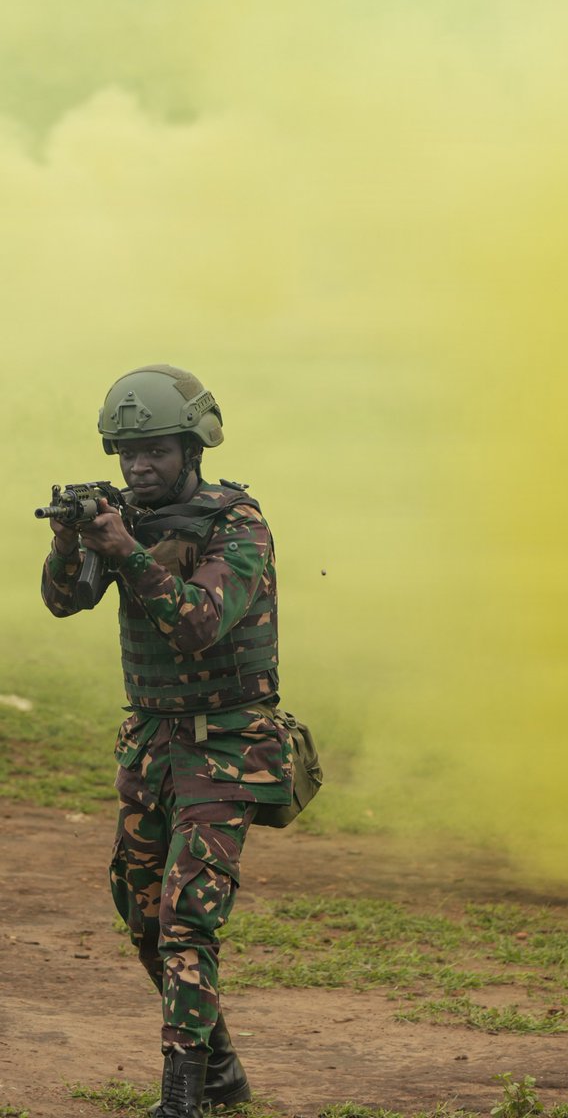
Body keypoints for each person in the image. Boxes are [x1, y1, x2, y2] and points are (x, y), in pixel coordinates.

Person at [41, 364, 292, 1118]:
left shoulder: (236, 524)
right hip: (152, 741)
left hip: (229, 745)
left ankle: (182, 1097)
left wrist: (123, 548)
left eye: (154, 452)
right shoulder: (125, 520)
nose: (139, 467)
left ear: (193, 448)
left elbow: (196, 624)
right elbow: (64, 601)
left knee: (187, 919)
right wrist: (69, 542)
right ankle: (220, 1073)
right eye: (127, 454)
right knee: (140, 909)